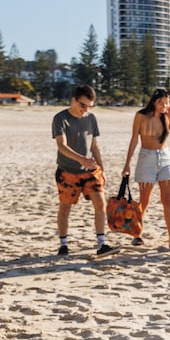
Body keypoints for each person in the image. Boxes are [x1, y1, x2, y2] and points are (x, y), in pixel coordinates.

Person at [52, 84, 117, 257]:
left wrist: (101, 168)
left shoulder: (91, 118)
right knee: (65, 208)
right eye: (83, 105)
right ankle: (63, 244)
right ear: (73, 100)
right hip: (67, 172)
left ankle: (102, 244)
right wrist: (81, 159)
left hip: (90, 171)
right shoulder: (60, 118)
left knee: (100, 204)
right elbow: (61, 146)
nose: (85, 109)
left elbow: (94, 145)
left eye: (89, 106)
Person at [121, 88, 170, 249]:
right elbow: (134, 139)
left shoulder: (167, 117)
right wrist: (127, 164)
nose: (164, 106)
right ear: (154, 102)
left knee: (168, 199)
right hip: (146, 158)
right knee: (144, 199)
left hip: (165, 158)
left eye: (167, 103)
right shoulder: (141, 116)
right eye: (161, 102)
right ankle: (137, 234)